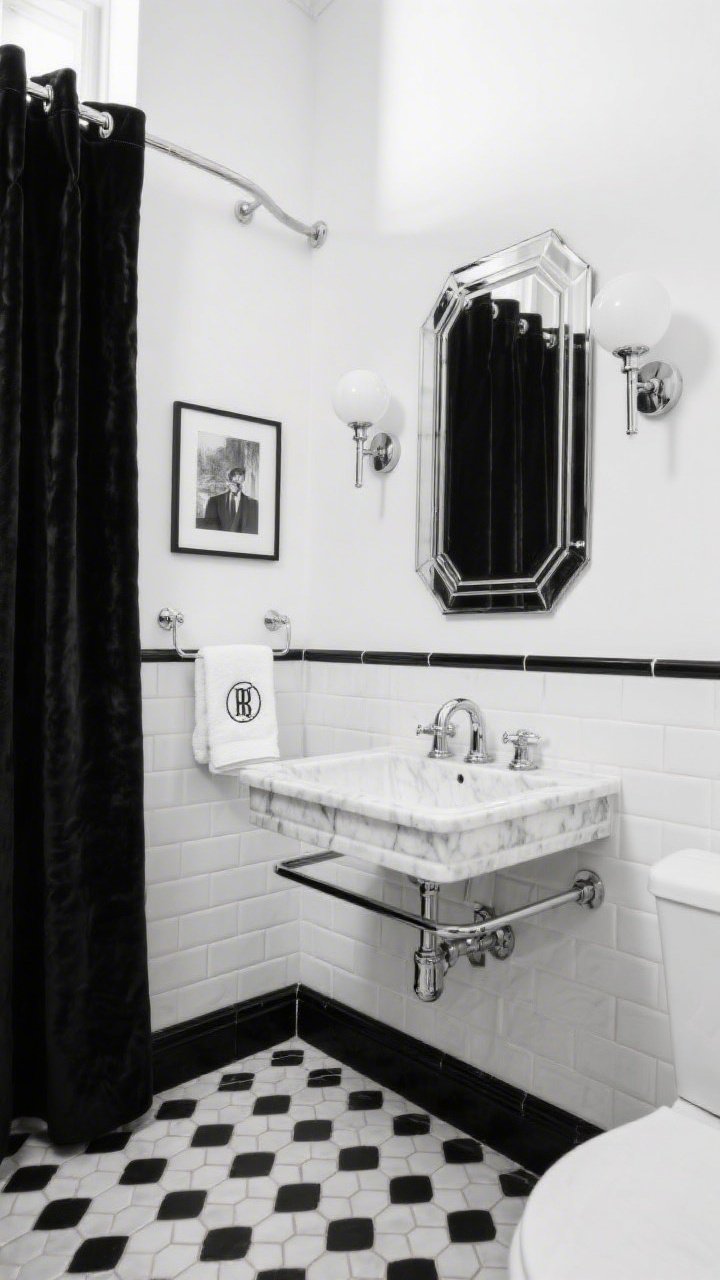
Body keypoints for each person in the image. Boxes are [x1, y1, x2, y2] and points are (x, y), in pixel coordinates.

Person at [203, 465, 258, 533]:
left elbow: (253, 529)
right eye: (234, 476)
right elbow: (209, 528)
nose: (237, 479)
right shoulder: (214, 501)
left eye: (240, 476)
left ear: (244, 481)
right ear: (228, 482)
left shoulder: (253, 504)